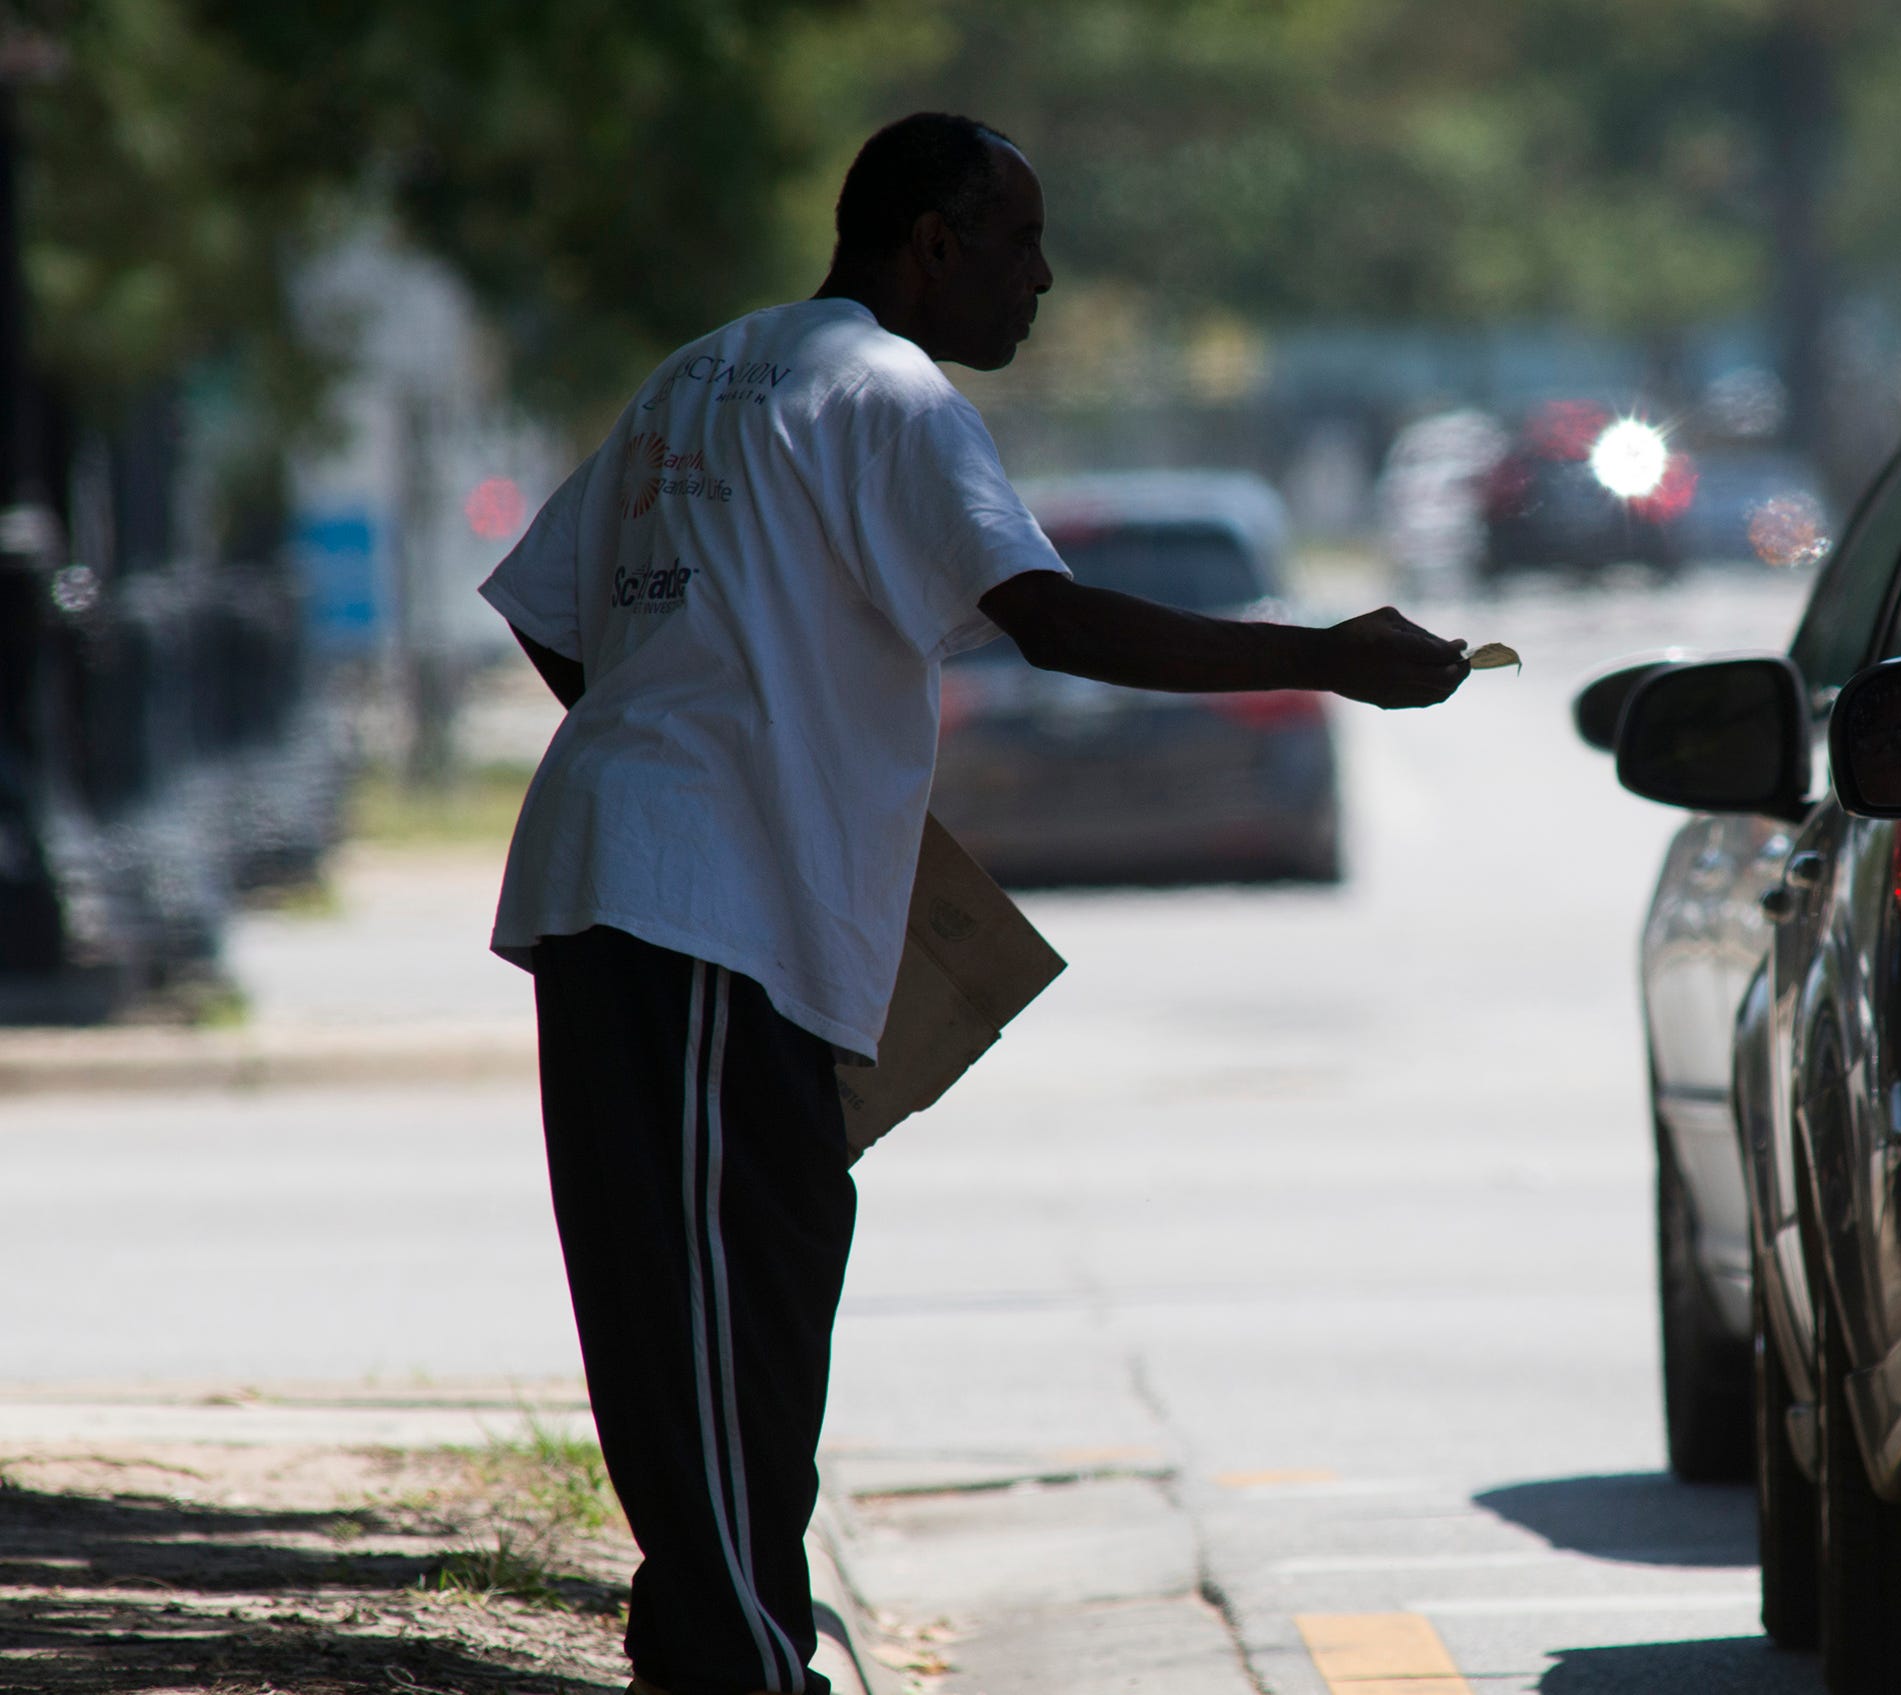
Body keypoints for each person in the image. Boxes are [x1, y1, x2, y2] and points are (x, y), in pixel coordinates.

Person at [477, 113, 1467, 1695]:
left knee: (763, 1287)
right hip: (685, 899)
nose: (1044, 279)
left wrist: (698, 720)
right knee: (709, 1323)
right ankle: (738, 1663)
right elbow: (1054, 625)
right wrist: (1325, 657)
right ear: (928, 245)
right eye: (1017, 244)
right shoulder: (884, 391)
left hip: (689, 888)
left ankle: (722, 1638)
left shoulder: (710, 370)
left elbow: (556, 613)